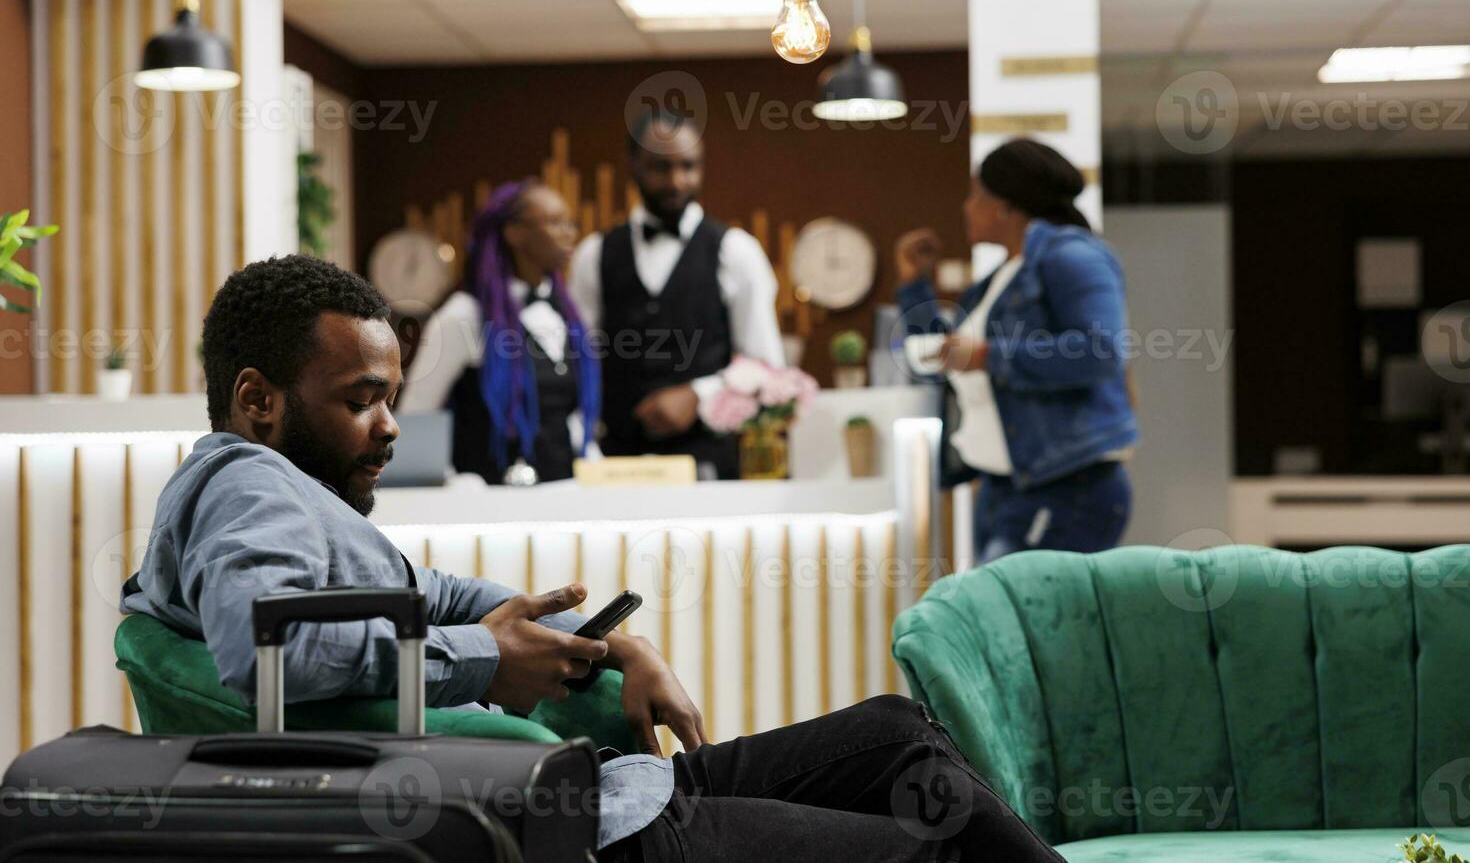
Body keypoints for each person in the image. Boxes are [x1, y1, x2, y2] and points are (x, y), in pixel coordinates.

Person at [122, 255, 1065, 863]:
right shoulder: (249, 487)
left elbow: (441, 592)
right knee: (925, 834)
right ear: (258, 401)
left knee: (897, 733)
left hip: (610, 789)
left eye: (392, 396)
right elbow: (267, 653)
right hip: (580, 825)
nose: (391, 426)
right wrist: (489, 657)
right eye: (361, 399)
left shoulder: (288, 498)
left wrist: (609, 646)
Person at [897, 138, 1137, 562]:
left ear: (1005, 207)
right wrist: (916, 285)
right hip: (1005, 489)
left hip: (1065, 488)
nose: (966, 207)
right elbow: (949, 359)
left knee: (1027, 626)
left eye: (975, 196)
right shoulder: (998, 281)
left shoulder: (1072, 257)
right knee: (1004, 624)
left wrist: (990, 356)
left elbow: (1100, 351)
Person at [569, 111, 784, 480]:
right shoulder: (594, 254)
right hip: (615, 464)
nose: (677, 181)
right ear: (633, 165)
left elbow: (765, 365)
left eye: (689, 166)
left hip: (709, 463)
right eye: (660, 168)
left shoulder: (735, 250)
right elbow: (579, 360)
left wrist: (699, 394)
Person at [398, 180, 598, 484]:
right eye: (556, 223)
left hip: (561, 499)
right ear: (515, 233)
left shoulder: (564, 314)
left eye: (571, 223)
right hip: (486, 503)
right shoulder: (465, 315)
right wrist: (452, 484)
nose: (570, 234)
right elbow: (415, 418)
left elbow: (568, 416)